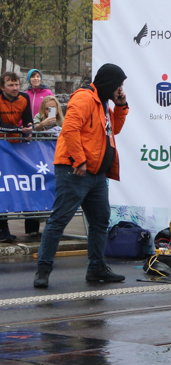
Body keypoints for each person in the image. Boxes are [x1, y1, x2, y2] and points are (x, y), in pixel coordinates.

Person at [33, 64, 129, 288]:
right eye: (119, 85)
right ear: (109, 83)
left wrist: (121, 106)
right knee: (60, 220)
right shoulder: (85, 98)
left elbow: (114, 129)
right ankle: (43, 270)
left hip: (95, 173)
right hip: (75, 170)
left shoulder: (103, 102)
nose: (120, 89)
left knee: (100, 220)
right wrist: (79, 160)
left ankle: (96, 268)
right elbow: (70, 129)